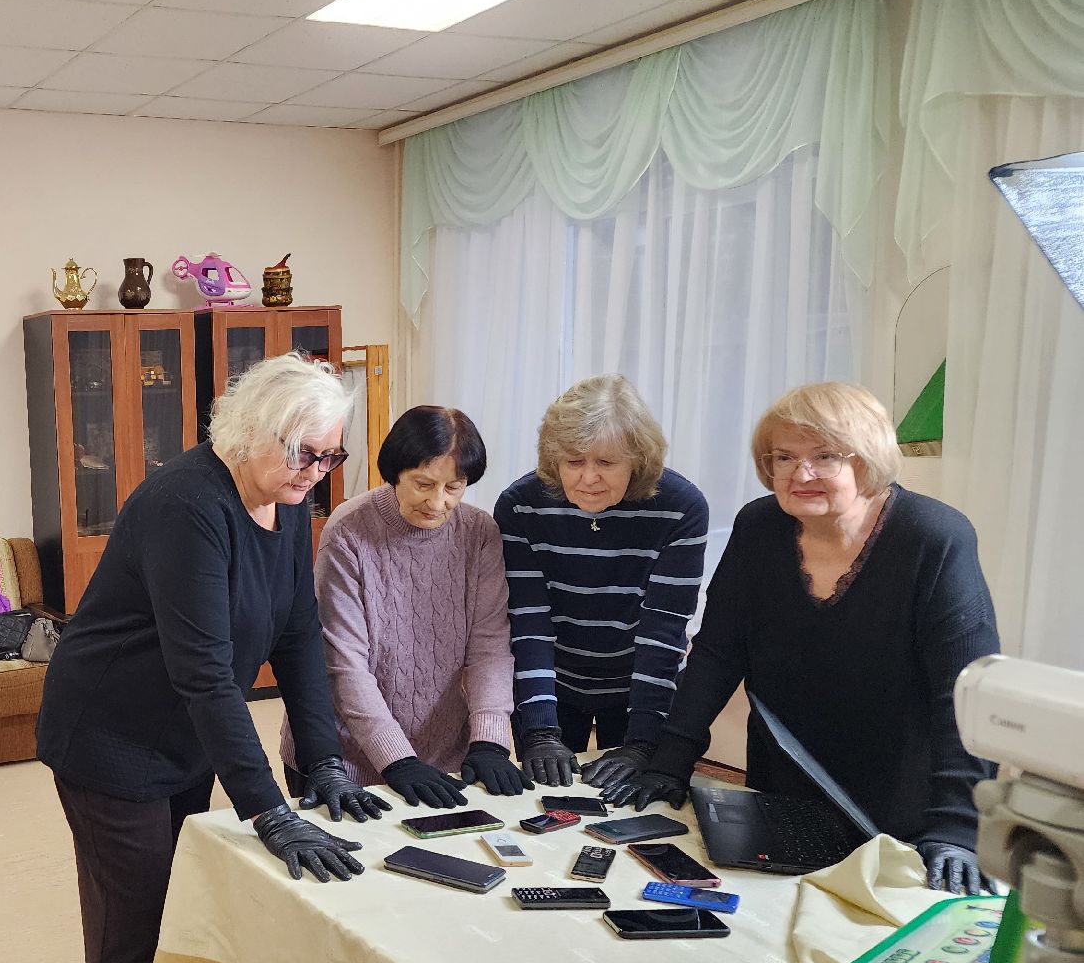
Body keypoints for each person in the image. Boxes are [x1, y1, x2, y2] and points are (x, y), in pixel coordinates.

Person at [36, 352, 385, 963]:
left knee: (187, 919)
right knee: (136, 938)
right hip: (111, 737)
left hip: (184, 736)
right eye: (301, 452)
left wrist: (324, 761)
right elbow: (204, 674)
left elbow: (296, 636)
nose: (315, 471)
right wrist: (269, 811)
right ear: (251, 429)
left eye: (329, 457)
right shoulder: (186, 504)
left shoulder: (287, 503)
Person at [598, 383, 1000, 895]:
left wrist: (958, 827)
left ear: (867, 459)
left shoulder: (934, 536)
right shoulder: (758, 526)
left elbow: (963, 692)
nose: (799, 473)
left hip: (904, 805)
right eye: (783, 457)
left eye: (824, 456)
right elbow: (719, 653)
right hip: (784, 786)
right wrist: (671, 761)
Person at [284, 405, 527, 808]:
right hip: (345, 760)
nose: (437, 502)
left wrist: (489, 739)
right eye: (423, 484)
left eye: (454, 487)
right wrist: (395, 758)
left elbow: (489, 645)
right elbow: (344, 662)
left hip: (442, 755)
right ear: (395, 472)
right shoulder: (349, 529)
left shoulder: (479, 532)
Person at [495, 374, 709, 789]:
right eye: (574, 462)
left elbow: (662, 632)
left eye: (606, 463)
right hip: (552, 682)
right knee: (548, 806)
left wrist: (643, 742)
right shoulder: (521, 506)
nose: (588, 478)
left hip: (641, 687)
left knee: (626, 809)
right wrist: (539, 730)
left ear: (638, 460)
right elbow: (529, 621)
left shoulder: (680, 507)